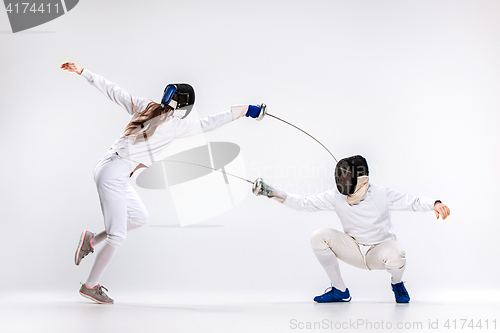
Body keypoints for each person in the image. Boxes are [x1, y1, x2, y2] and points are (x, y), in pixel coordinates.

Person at [61, 62, 262, 304]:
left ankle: (91, 240)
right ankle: (90, 286)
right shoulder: (176, 125)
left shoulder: (145, 106)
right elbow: (209, 123)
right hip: (113, 174)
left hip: (113, 170)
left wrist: (84, 72)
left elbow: (113, 90)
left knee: (138, 218)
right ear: (185, 105)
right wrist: (243, 111)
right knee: (117, 236)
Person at [253, 155, 450, 303]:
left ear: (362, 179)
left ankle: (397, 283)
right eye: (341, 178)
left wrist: (435, 203)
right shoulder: (335, 196)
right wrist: (271, 192)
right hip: (354, 249)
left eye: (346, 178)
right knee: (318, 237)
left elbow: (412, 202)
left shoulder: (381, 193)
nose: (342, 182)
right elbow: (303, 203)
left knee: (397, 254)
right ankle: (340, 290)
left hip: (380, 251)